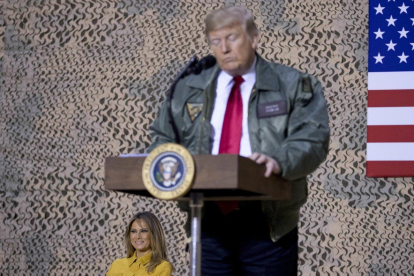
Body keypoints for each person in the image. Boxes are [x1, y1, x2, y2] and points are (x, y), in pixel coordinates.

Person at [148, 5, 330, 276]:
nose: (223, 48)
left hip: (267, 224)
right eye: (215, 41)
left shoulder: (295, 84)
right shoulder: (188, 88)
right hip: (206, 221)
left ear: (254, 38)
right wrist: (164, 162)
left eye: (232, 38)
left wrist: (279, 160)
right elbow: (162, 138)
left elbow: (312, 139)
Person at [107, 212, 173, 276]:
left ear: (154, 235)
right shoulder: (117, 264)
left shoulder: (163, 267)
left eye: (143, 231)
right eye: (133, 231)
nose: (138, 236)